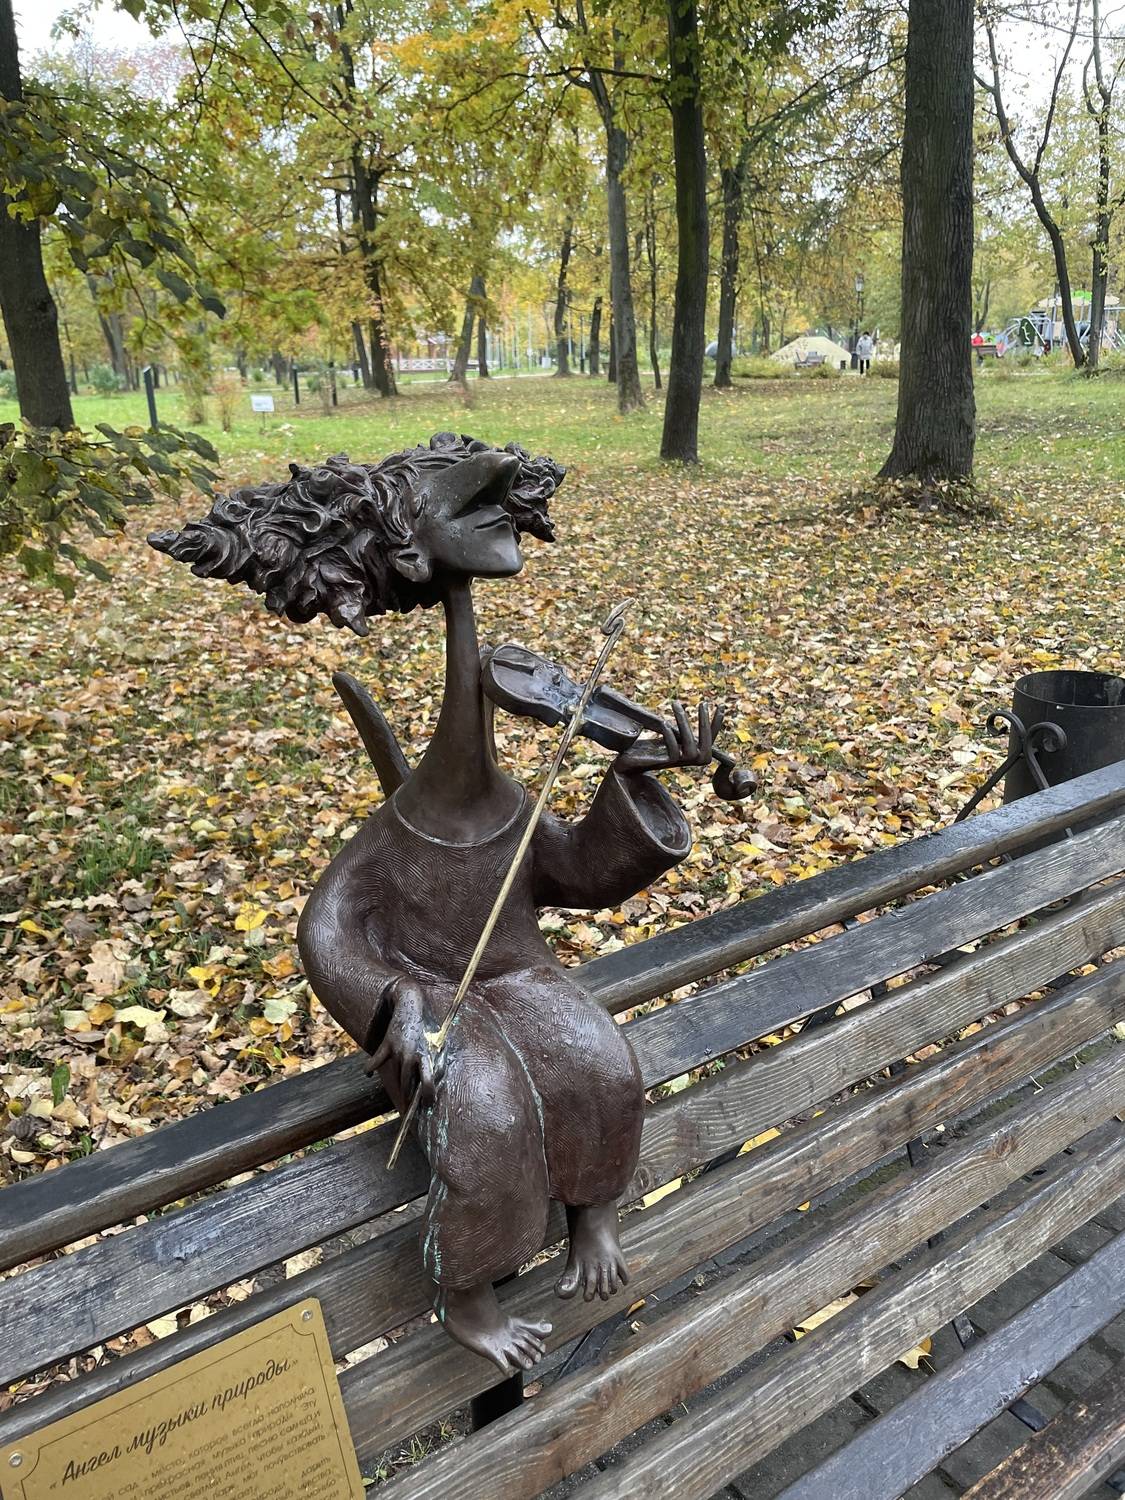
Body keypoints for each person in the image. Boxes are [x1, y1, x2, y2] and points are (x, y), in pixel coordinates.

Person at [149, 435, 718, 1377]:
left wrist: (631, 778)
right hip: (430, 993)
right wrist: (397, 1004)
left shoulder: (508, 808)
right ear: (409, 549)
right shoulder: (390, 842)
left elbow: (581, 876)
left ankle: (592, 1212)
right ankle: (468, 1291)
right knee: (485, 1109)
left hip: (516, 974)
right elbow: (327, 933)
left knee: (598, 1059)